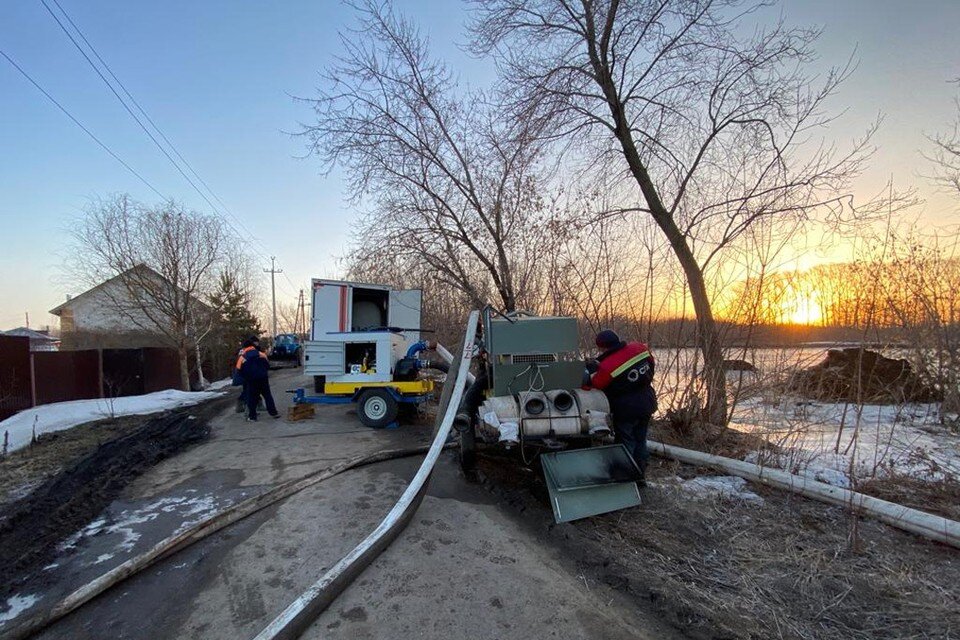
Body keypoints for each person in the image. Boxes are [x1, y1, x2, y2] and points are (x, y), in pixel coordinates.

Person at [587, 329, 657, 482]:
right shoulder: (639, 348)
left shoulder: (607, 366)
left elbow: (595, 384)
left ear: (602, 348)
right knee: (641, 440)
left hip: (626, 408)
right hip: (647, 402)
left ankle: (624, 478)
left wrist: (592, 370)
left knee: (626, 442)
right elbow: (651, 366)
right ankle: (640, 476)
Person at [236, 336, 279, 421]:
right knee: (267, 396)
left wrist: (246, 377)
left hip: (251, 380)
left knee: (252, 398)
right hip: (263, 379)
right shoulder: (261, 354)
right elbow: (267, 365)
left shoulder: (242, 357)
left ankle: (252, 417)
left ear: (245, 347)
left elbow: (238, 370)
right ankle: (274, 413)